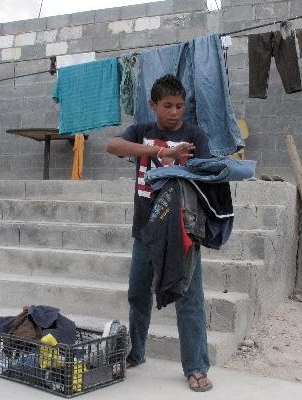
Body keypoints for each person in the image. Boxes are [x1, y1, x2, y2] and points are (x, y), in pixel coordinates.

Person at [105, 74, 213, 392]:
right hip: (145, 232)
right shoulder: (142, 132)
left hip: (182, 233)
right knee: (138, 294)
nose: (175, 112)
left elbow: (206, 177)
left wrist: (184, 162)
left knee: (189, 299)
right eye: (167, 106)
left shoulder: (194, 136)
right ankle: (136, 353)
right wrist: (157, 154)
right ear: (153, 105)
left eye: (180, 106)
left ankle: (195, 367)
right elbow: (112, 145)